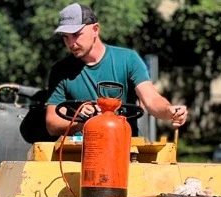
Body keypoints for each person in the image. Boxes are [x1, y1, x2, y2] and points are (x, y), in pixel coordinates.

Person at [45, 3, 188, 137]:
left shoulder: (128, 59)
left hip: (124, 149)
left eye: (76, 35)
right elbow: (52, 123)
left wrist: (169, 111)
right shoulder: (60, 70)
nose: (71, 43)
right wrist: (81, 119)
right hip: (81, 152)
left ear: (95, 29)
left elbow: (151, 100)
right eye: (65, 37)